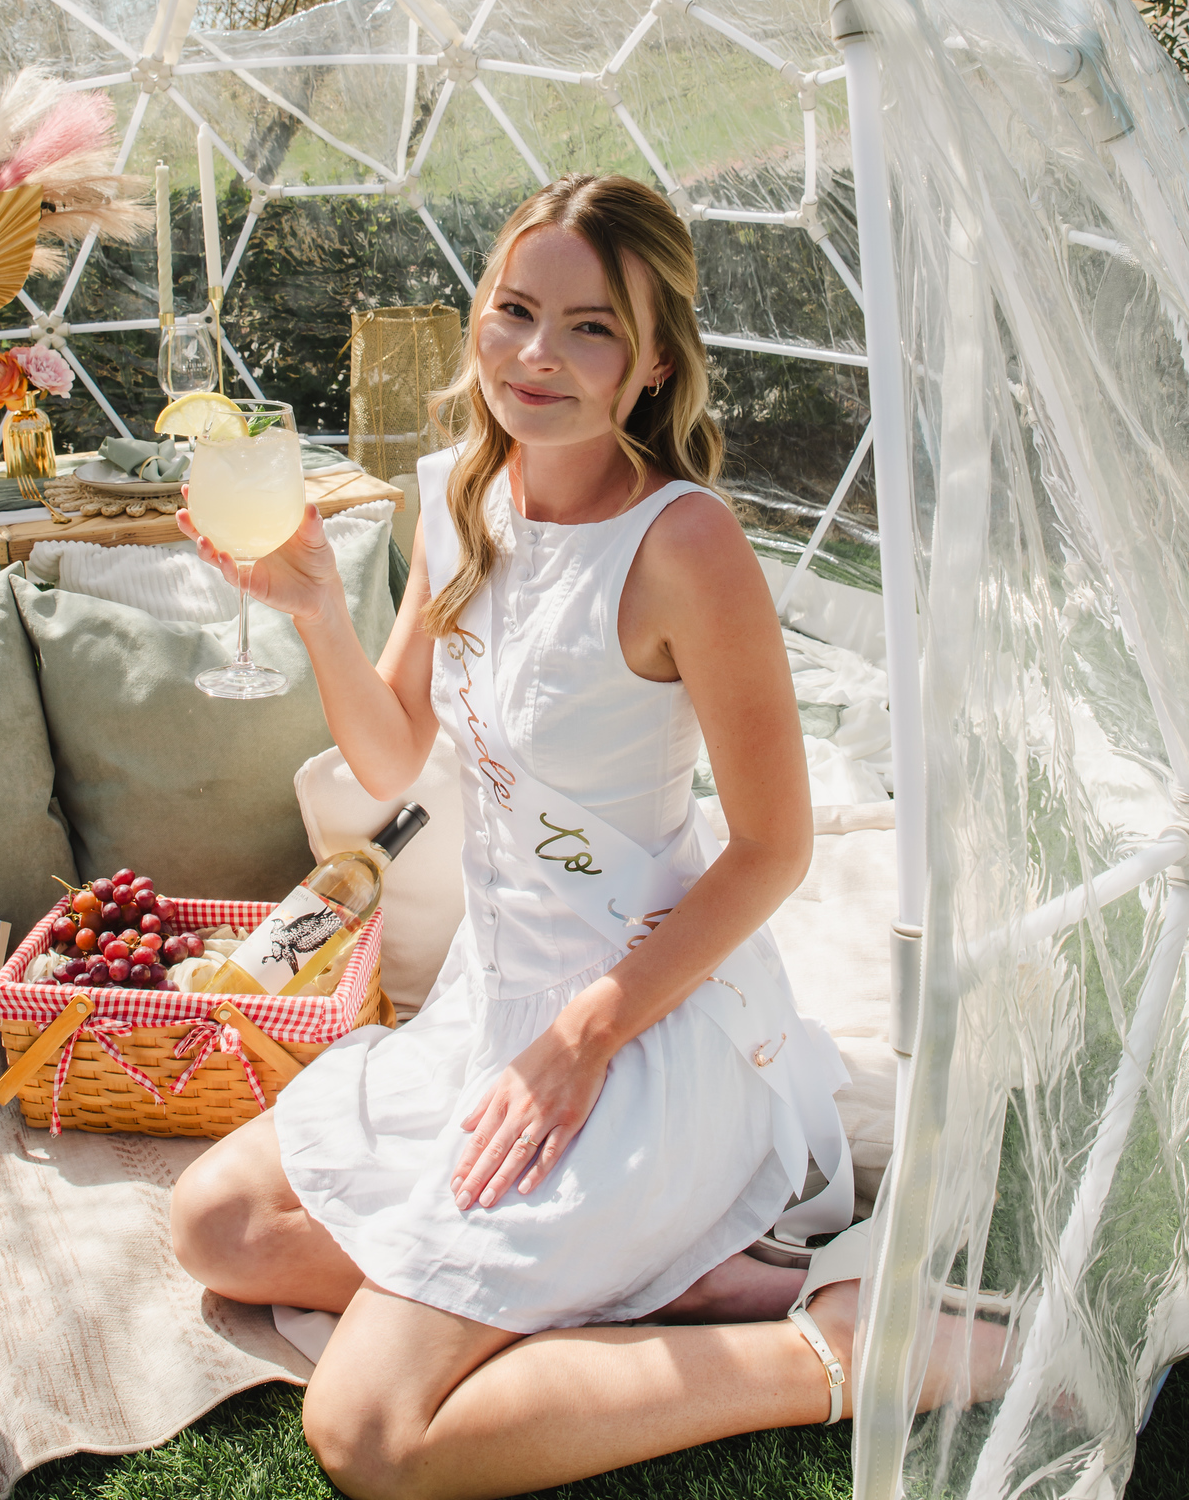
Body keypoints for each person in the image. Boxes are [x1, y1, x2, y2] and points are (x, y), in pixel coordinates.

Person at [170, 173, 997, 1500]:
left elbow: (773, 850)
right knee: (218, 1226)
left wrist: (581, 1043)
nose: (536, 354)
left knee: (371, 1436)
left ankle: (827, 1349)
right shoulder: (458, 496)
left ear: (656, 360)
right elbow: (393, 758)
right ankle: (656, 1281)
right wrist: (319, 608)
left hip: (641, 1030)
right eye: (514, 311)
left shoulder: (686, 544)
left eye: (591, 327)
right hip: (490, 1013)